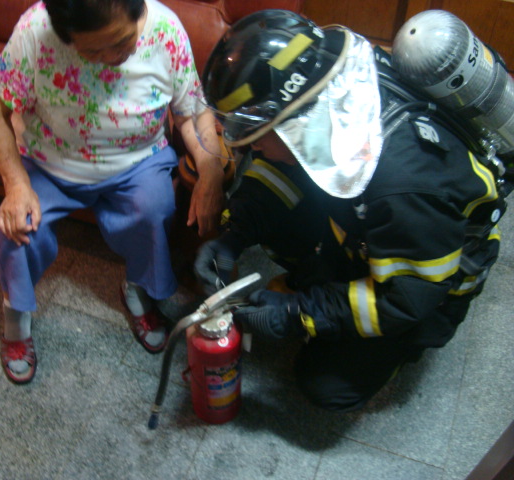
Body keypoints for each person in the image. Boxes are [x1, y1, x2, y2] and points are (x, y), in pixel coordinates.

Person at [194, 10, 506, 412]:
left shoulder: (404, 186)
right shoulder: (331, 92)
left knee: (326, 385)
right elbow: (283, 168)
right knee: (276, 203)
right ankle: (330, 278)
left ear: (296, 126)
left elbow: (404, 300)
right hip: (374, 226)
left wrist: (298, 313)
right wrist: (234, 234)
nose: (252, 146)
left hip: (425, 286)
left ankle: (400, 348)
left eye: (256, 137)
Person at [0, 0, 225, 384]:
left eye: (123, 41)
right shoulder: (35, 31)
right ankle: (16, 322)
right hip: (50, 161)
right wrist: (16, 185)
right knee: (18, 234)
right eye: (93, 51)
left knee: (154, 209)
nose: (113, 57)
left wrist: (210, 168)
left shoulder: (166, 30)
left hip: (137, 160)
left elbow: (190, 111)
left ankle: (138, 289)